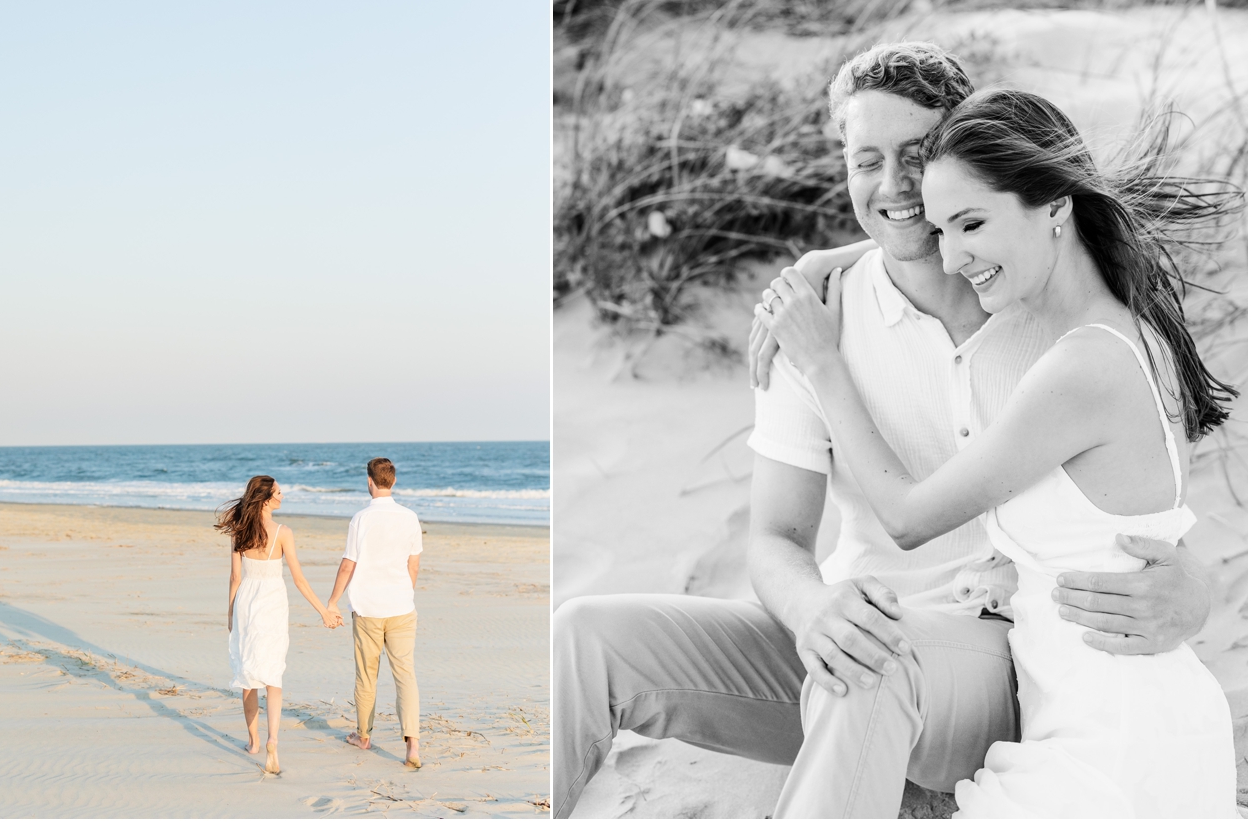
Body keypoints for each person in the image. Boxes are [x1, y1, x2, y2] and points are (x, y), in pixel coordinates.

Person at [552, 43, 1214, 819]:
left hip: (999, 659)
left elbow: (1129, 504)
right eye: (866, 159)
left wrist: (1193, 588)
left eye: (917, 156)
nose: (894, 186)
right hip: (855, 631)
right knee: (586, 637)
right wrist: (812, 611)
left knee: (869, 667)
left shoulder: (1043, 311)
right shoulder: (813, 314)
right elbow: (774, 536)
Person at [758, 87, 1239, 816]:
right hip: (1099, 717)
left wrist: (824, 365)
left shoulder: (1077, 369)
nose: (951, 256)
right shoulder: (1129, 327)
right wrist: (844, 253)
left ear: (1054, 205)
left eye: (969, 224)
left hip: (1112, 742)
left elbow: (908, 517)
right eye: (942, 228)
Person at [216, 475, 343, 775]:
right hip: (273, 601)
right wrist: (324, 611)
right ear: (267, 498)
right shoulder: (283, 533)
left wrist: (230, 613)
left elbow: (235, 578)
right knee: (273, 675)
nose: (283, 496)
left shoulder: (240, 531)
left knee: (248, 675)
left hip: (247, 601)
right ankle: (273, 739)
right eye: (279, 492)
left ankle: (254, 741)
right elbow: (299, 580)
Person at [327, 457, 424, 769]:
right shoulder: (410, 517)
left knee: (367, 675)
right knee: (405, 675)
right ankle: (412, 746)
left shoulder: (361, 518)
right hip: (401, 606)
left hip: (368, 608)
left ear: (370, 481)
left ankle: (364, 735)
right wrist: (404, 592)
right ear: (393, 482)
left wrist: (332, 602)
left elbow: (348, 564)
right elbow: (414, 564)